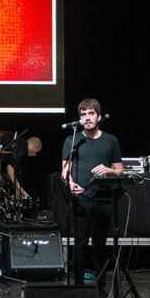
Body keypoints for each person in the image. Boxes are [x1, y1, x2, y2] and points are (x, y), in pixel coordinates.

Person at [61, 98, 123, 285]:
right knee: (79, 245)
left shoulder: (110, 140)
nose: (87, 118)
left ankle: (101, 288)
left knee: (100, 246)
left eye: (91, 114)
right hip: (81, 200)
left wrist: (109, 170)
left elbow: (120, 170)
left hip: (104, 200)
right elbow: (65, 170)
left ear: (98, 116)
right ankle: (78, 288)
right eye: (83, 114)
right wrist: (70, 183)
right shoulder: (72, 140)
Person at [3, 134, 42, 201]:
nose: (35, 155)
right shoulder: (21, 147)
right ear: (33, 147)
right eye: (36, 152)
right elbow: (10, 168)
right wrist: (20, 188)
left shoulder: (20, 143)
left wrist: (16, 187)